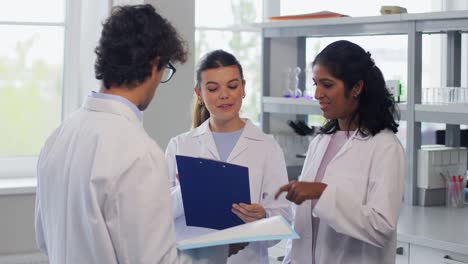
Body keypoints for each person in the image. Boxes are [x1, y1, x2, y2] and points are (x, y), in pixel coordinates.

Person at [35, 5, 228, 264]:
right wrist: (218, 251)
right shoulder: (139, 153)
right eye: (165, 71)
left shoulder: (58, 137)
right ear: (153, 66)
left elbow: (44, 239)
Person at [275, 40, 406, 264]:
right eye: (315, 84)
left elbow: (381, 227)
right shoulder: (320, 142)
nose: (317, 94)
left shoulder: (385, 146)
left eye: (327, 85)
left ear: (356, 88)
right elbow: (304, 227)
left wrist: (321, 192)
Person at [165, 49, 293, 264]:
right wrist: (186, 190)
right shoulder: (180, 145)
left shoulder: (267, 147)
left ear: (243, 88)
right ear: (199, 94)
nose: (224, 95)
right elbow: (158, 213)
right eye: (213, 88)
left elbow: (285, 220)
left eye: (232, 86)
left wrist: (263, 216)